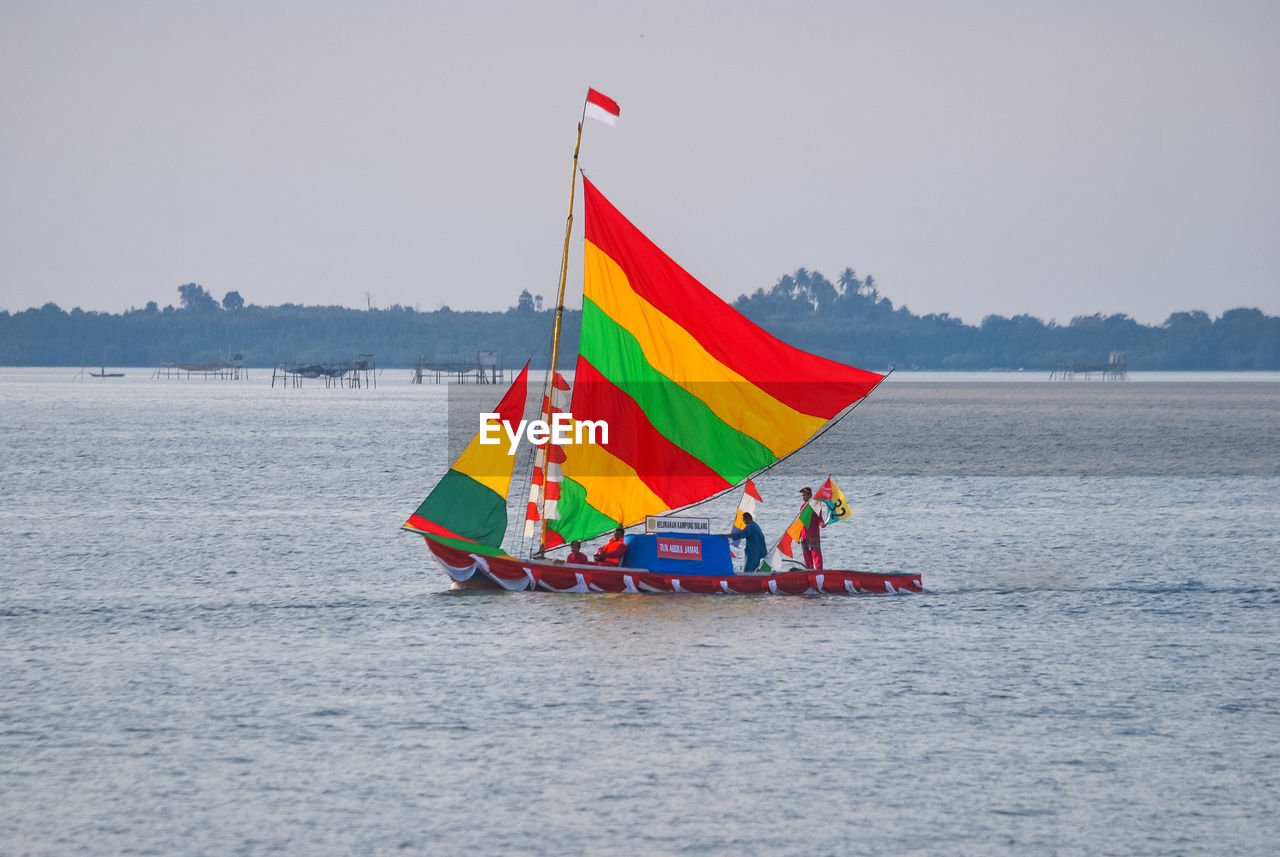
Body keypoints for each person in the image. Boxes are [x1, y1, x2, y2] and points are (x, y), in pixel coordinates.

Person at [798, 486, 825, 570]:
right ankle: (809, 572)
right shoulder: (802, 506)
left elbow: (819, 518)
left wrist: (822, 524)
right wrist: (798, 536)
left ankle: (819, 572)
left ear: (810, 495)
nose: (803, 497)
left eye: (805, 495)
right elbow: (800, 522)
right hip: (804, 536)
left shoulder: (816, 505)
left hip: (813, 536)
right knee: (807, 557)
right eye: (802, 495)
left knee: (817, 556)